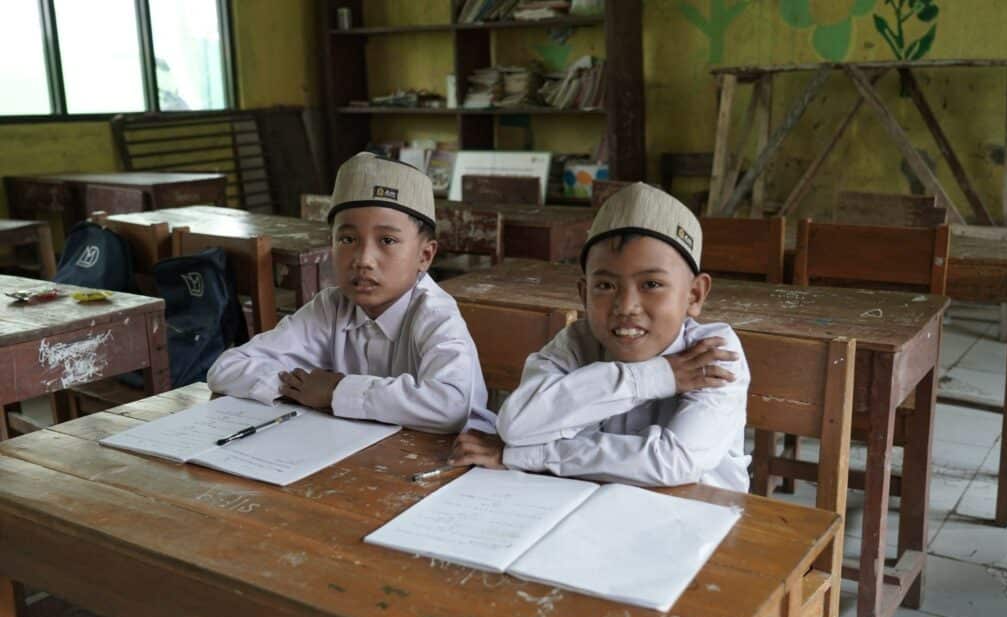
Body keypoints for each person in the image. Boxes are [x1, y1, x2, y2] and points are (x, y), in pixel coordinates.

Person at [452, 182, 750, 490]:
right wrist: (657, 376)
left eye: (651, 284)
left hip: (701, 518)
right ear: (583, 293)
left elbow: (672, 462)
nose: (626, 307)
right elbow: (516, 425)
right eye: (606, 286)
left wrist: (525, 456)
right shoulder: (578, 342)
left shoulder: (712, 354)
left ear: (694, 295)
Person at [207, 152, 495, 434]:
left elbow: (451, 405)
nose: (364, 259)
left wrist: (336, 392)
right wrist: (299, 388)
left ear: (425, 255)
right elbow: (225, 369)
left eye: (387, 240)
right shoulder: (331, 306)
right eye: (347, 239)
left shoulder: (435, 314)